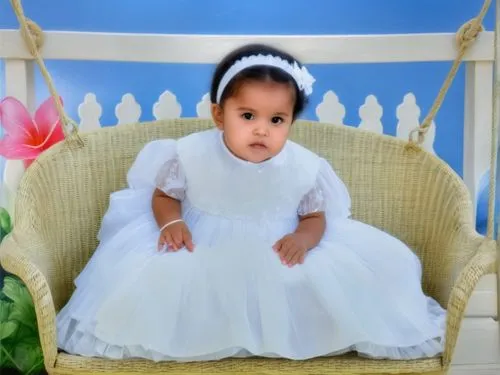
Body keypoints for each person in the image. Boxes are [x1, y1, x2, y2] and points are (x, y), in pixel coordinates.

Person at [56, 43, 446, 362]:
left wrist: (304, 239)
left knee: (316, 280)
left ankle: (313, 333)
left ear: (291, 122)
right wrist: (170, 222)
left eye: (277, 120)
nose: (262, 128)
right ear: (218, 115)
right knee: (172, 279)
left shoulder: (303, 166)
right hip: (200, 236)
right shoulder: (190, 154)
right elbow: (164, 195)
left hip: (276, 243)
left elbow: (314, 216)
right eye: (247, 115)